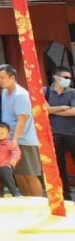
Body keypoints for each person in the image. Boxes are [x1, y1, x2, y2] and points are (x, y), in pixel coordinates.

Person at [0, 65, 44, 197]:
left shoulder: (21, 95)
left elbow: (22, 119)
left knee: (30, 174)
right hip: (9, 139)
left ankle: (38, 203)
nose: (0, 80)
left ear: (12, 77)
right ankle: (26, 202)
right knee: (18, 174)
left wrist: (14, 140)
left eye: (3, 77)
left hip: (24, 140)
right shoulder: (5, 92)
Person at [43, 67, 75, 201]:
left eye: (69, 78)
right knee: (59, 166)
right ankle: (65, 196)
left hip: (72, 133)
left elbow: (73, 112)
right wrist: (62, 107)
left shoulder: (72, 92)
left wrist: (51, 110)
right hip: (54, 134)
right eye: (65, 77)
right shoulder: (46, 91)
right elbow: (42, 109)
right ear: (56, 77)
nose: (68, 80)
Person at [0, 122, 22, 197]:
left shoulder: (10, 143)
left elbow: (16, 151)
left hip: (6, 166)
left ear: (8, 134)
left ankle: (15, 193)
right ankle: (0, 194)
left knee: (9, 180)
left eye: (2, 133)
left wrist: (14, 159)